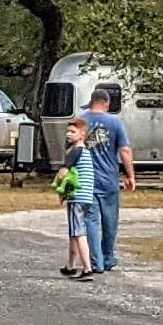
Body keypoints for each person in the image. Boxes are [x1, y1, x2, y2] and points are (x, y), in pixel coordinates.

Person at [82, 82, 135, 269]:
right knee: (110, 220)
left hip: (86, 179)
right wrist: (130, 175)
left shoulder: (79, 122)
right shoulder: (115, 122)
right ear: (107, 103)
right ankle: (107, 257)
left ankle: (96, 261)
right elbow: (125, 150)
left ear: (92, 102)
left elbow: (70, 152)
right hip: (109, 179)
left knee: (90, 220)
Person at [51, 116, 97, 277]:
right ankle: (71, 265)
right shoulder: (86, 152)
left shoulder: (75, 152)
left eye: (72, 131)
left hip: (77, 197)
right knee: (73, 232)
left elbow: (64, 173)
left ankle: (87, 268)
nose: (68, 135)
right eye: (67, 131)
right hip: (86, 197)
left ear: (82, 134)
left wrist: (58, 188)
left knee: (79, 233)